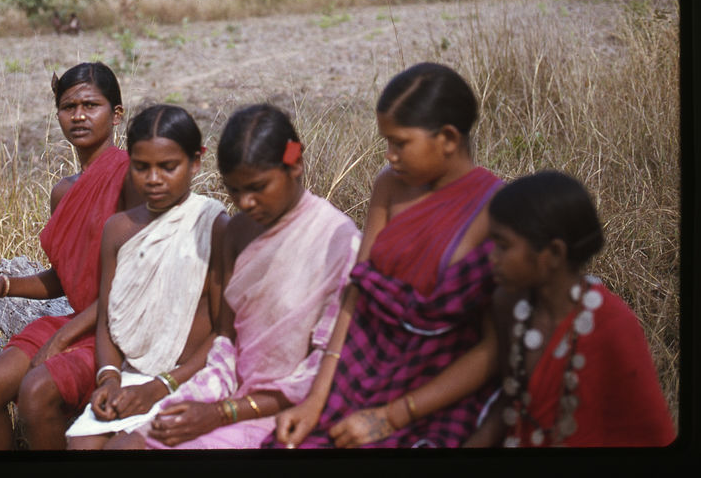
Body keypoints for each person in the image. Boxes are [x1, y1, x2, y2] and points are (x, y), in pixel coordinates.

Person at [269, 62, 502, 449]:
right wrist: (316, 400)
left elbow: (493, 349)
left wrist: (393, 417)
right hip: (363, 369)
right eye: (386, 143)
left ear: (447, 137)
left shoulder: (497, 209)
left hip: (437, 390)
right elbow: (356, 293)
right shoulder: (390, 186)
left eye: (400, 143)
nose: (390, 155)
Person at [106, 103, 361, 449]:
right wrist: (203, 403)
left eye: (258, 187)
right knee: (126, 447)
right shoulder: (238, 231)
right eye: (234, 190)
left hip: (293, 406)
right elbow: (226, 341)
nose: (246, 202)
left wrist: (223, 413)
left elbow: (323, 365)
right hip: (228, 388)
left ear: (295, 165)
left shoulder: (339, 240)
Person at [0, 62, 143, 450]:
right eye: (68, 106)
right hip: (78, 318)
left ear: (116, 115)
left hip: (117, 328)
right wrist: (6, 284)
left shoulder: (133, 177)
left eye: (90, 105)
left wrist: (63, 339)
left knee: (38, 389)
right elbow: (68, 278)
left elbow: (133, 283)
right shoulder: (64, 191)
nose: (78, 115)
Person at [463, 171, 676, 447]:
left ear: (553, 253)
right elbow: (513, 402)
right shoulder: (509, 306)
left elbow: (652, 433)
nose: (492, 257)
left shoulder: (612, 324)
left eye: (503, 246)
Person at [65, 104, 228, 449]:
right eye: (142, 167)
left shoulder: (212, 224)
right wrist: (108, 378)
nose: (153, 179)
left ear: (196, 161)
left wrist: (161, 386)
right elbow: (108, 319)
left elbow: (223, 331)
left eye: (168, 167)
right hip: (129, 374)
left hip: (190, 376)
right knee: (81, 447)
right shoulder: (119, 229)